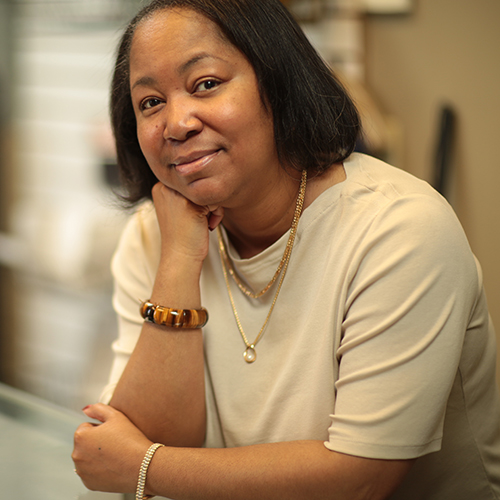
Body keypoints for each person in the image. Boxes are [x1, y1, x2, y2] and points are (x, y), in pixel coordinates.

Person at [72, 0, 500, 499]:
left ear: (278, 82)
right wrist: (177, 263)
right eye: (150, 103)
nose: (176, 123)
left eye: (206, 84)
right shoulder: (155, 235)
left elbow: (359, 479)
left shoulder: (401, 228)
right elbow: (158, 437)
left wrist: (142, 468)